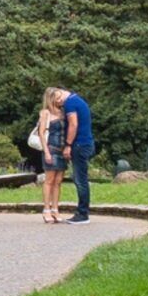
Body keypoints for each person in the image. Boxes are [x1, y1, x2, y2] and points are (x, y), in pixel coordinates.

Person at [32, 89, 71, 224]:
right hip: (51, 148)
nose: (60, 100)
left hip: (62, 149)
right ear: (51, 98)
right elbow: (42, 133)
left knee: (58, 181)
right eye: (57, 98)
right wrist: (46, 152)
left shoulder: (63, 112)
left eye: (61, 97)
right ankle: (46, 209)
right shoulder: (45, 113)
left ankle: (55, 209)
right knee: (49, 180)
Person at [58, 85, 95, 222]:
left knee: (80, 180)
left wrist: (68, 144)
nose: (58, 102)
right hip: (86, 143)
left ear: (61, 92)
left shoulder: (70, 103)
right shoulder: (78, 100)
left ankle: (82, 213)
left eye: (56, 98)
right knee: (80, 178)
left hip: (79, 144)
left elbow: (73, 124)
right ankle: (82, 212)